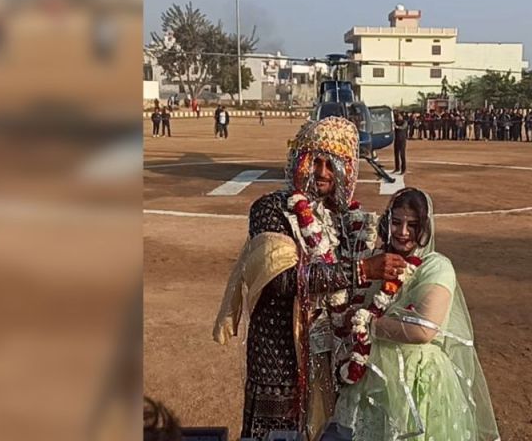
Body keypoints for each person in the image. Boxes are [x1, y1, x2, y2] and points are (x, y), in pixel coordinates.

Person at [213, 117, 408, 440]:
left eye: (332, 165)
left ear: (347, 170)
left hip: (330, 356)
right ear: (297, 162)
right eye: (314, 161)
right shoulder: (271, 209)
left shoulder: (345, 220)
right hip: (279, 358)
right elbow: (281, 280)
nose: (322, 173)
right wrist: (361, 270)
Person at [334, 188, 500, 441]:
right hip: (375, 377)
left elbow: (423, 330)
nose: (402, 232)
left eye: (412, 225)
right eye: (396, 222)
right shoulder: (379, 262)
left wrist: (368, 323)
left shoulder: (436, 267)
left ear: (425, 228)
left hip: (416, 381)